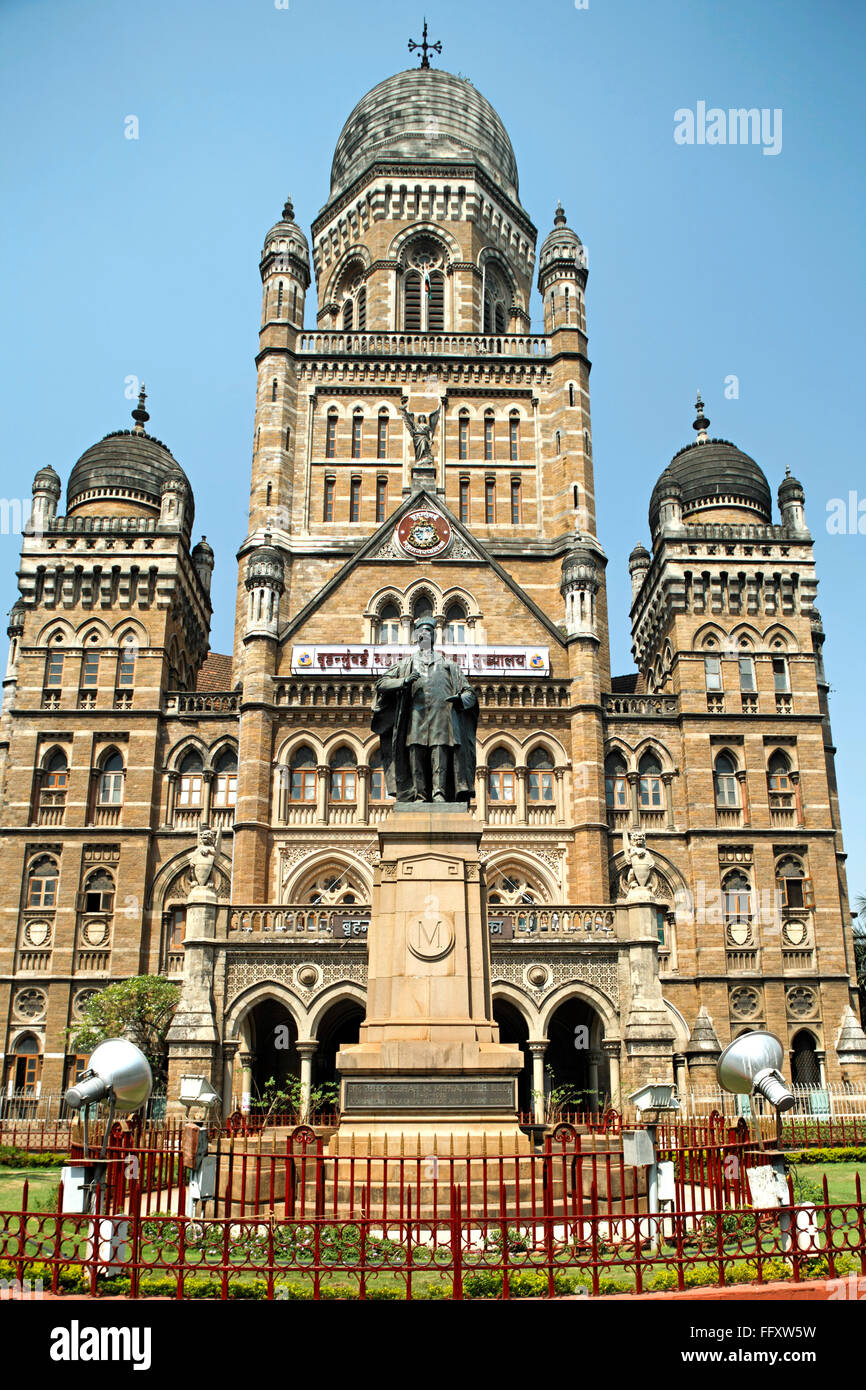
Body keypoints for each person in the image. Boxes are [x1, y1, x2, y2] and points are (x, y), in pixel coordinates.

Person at [372, 616, 477, 802]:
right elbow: (381, 683)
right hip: (415, 718)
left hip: (442, 719)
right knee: (416, 754)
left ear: (433, 636)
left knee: (440, 755)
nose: (424, 636)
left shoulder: (449, 666)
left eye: (428, 632)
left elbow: (470, 694)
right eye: (420, 633)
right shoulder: (406, 665)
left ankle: (439, 793)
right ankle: (419, 795)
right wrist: (403, 681)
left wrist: (460, 699)